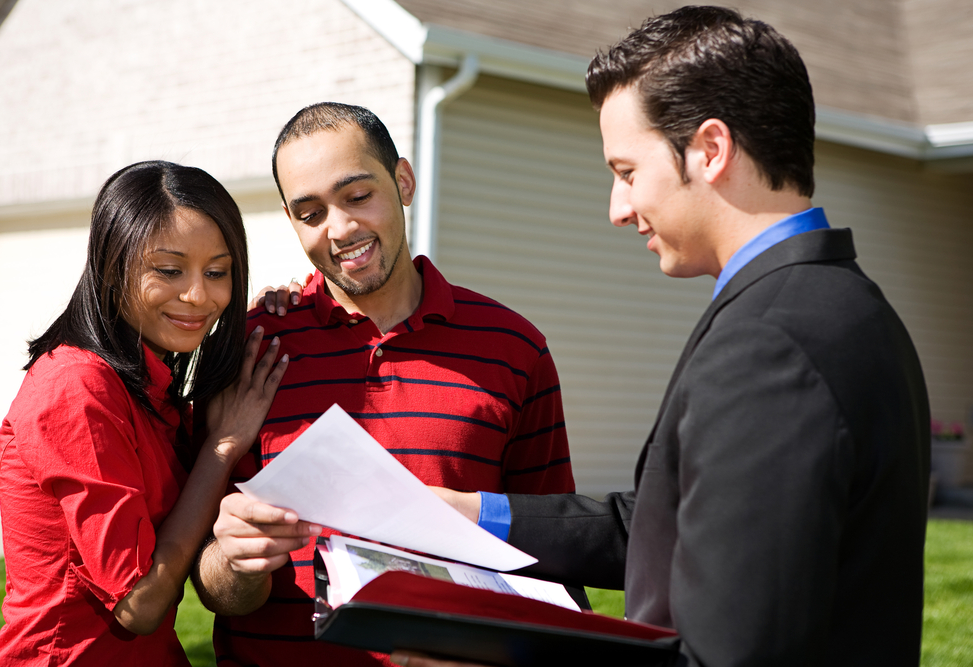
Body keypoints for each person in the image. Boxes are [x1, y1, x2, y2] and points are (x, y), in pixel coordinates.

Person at [398, 6, 930, 667]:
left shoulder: (771, 346)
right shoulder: (840, 304)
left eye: (626, 171)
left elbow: (727, 655)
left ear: (710, 150)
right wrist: (472, 513)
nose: (617, 209)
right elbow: (674, 526)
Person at [191, 103, 576, 666]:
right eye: (310, 212)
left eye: (358, 195)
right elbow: (208, 583)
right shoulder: (250, 346)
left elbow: (554, 554)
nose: (341, 229)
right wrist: (234, 560)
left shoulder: (514, 348)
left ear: (403, 181)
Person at [0, 161, 289, 666]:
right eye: (169, 270)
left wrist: (278, 313)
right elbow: (138, 605)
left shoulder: (151, 383)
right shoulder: (77, 385)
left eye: (217, 272)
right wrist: (222, 447)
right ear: (112, 265)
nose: (197, 296)